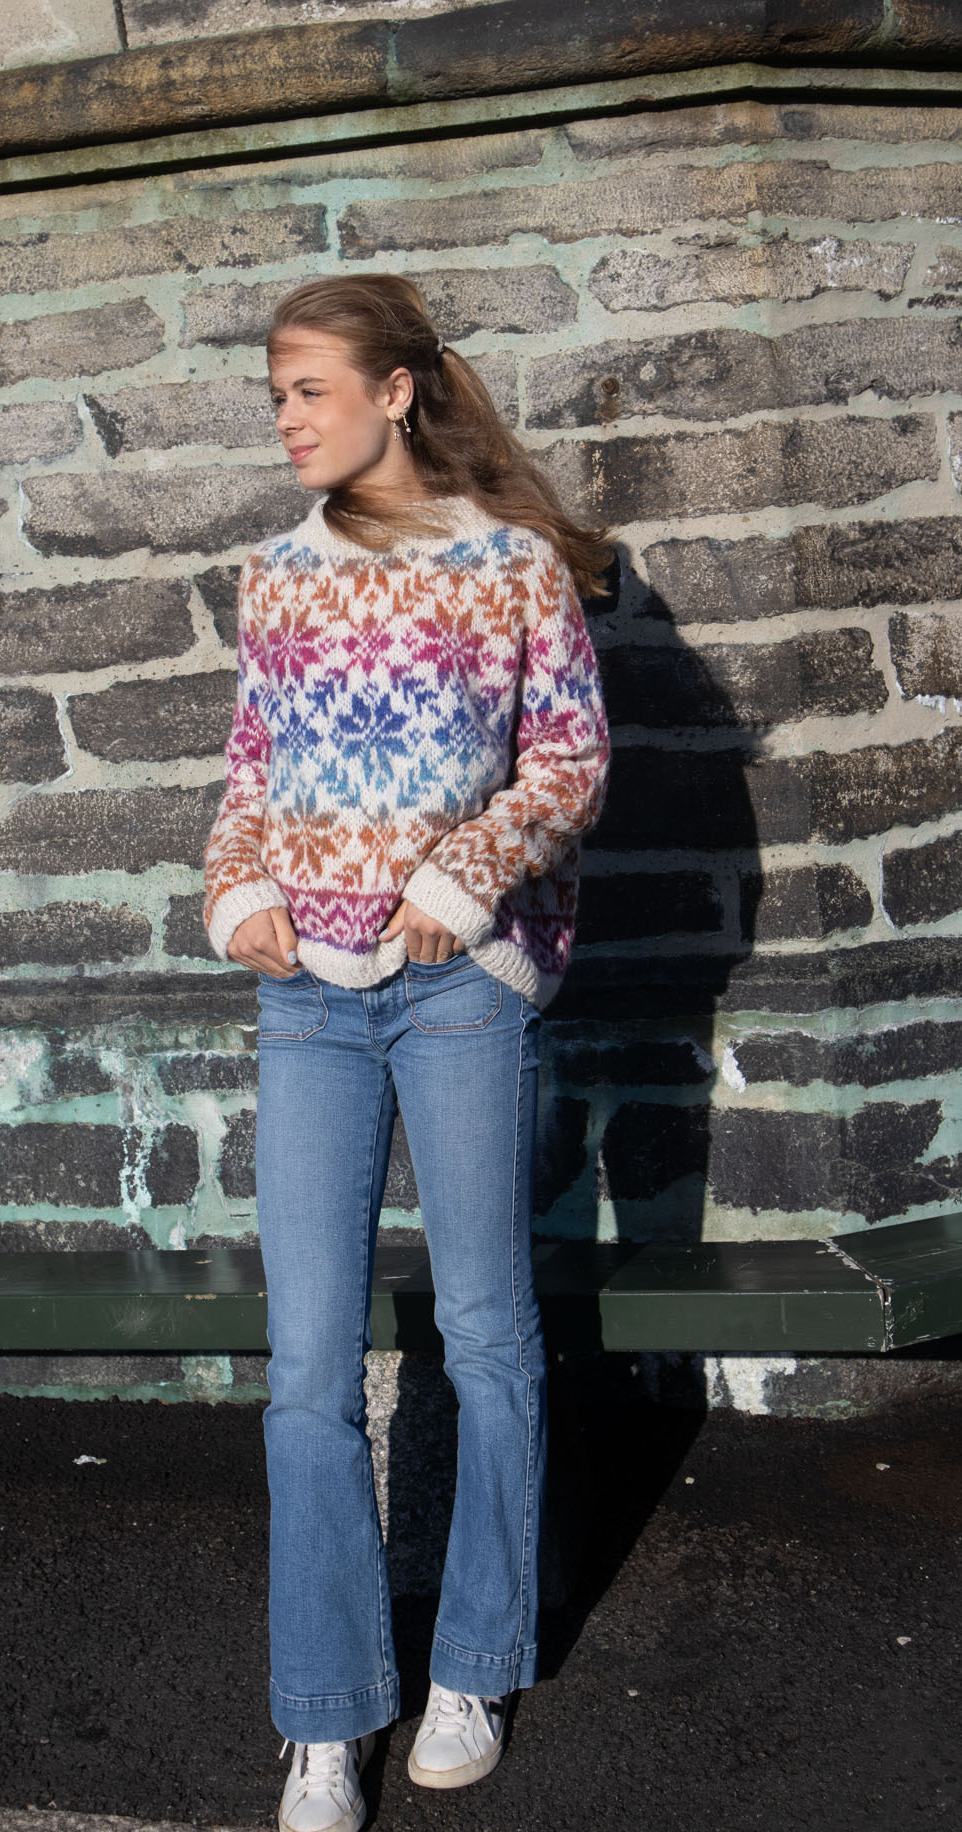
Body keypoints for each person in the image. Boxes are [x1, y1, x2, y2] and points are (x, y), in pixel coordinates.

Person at [202, 273, 611, 1832]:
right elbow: (249, 774)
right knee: (306, 1370)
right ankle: (322, 1717)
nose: (287, 420)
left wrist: (462, 879)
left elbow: (567, 763)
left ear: (394, 391)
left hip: (460, 991)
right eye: (275, 396)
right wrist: (236, 890)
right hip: (307, 998)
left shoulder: (509, 567)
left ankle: (473, 1665)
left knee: (486, 1334)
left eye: (308, 389)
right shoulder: (275, 576)